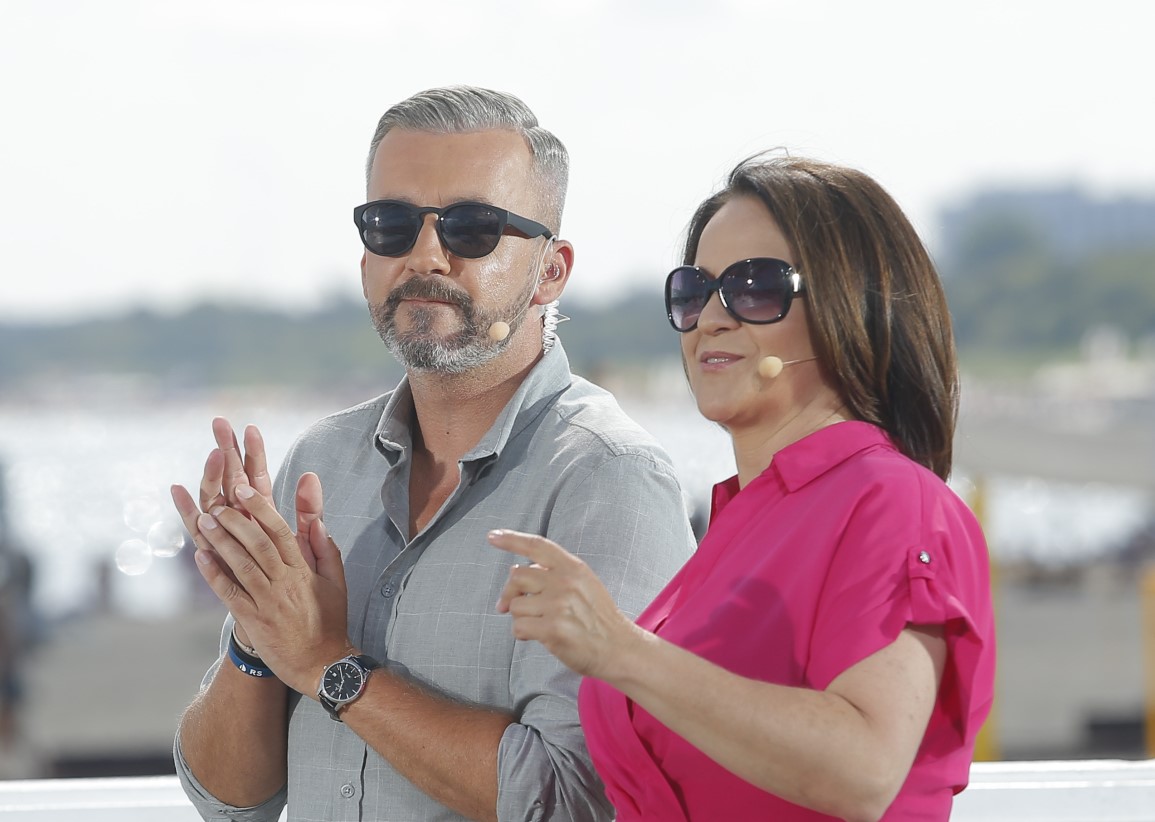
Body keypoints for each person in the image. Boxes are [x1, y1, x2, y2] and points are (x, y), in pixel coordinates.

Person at [169, 86, 695, 822]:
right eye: (392, 225)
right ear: (365, 257)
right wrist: (259, 641)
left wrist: (327, 663)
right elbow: (228, 802)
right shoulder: (322, 460)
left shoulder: (608, 480)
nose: (424, 256)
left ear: (551, 270)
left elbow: (578, 800)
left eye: (472, 228)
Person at [490, 154, 997, 821]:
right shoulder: (741, 525)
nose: (711, 318)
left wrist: (619, 649)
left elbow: (864, 768)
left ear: (852, 305)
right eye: (693, 291)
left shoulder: (892, 502)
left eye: (754, 287)